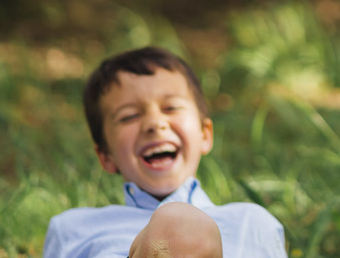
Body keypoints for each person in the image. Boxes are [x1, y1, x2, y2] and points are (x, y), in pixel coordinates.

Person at [43, 46, 287, 258]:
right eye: (129, 116)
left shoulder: (252, 222)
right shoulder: (72, 229)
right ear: (105, 155)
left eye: (171, 107)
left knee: (181, 223)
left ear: (205, 134)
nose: (155, 123)